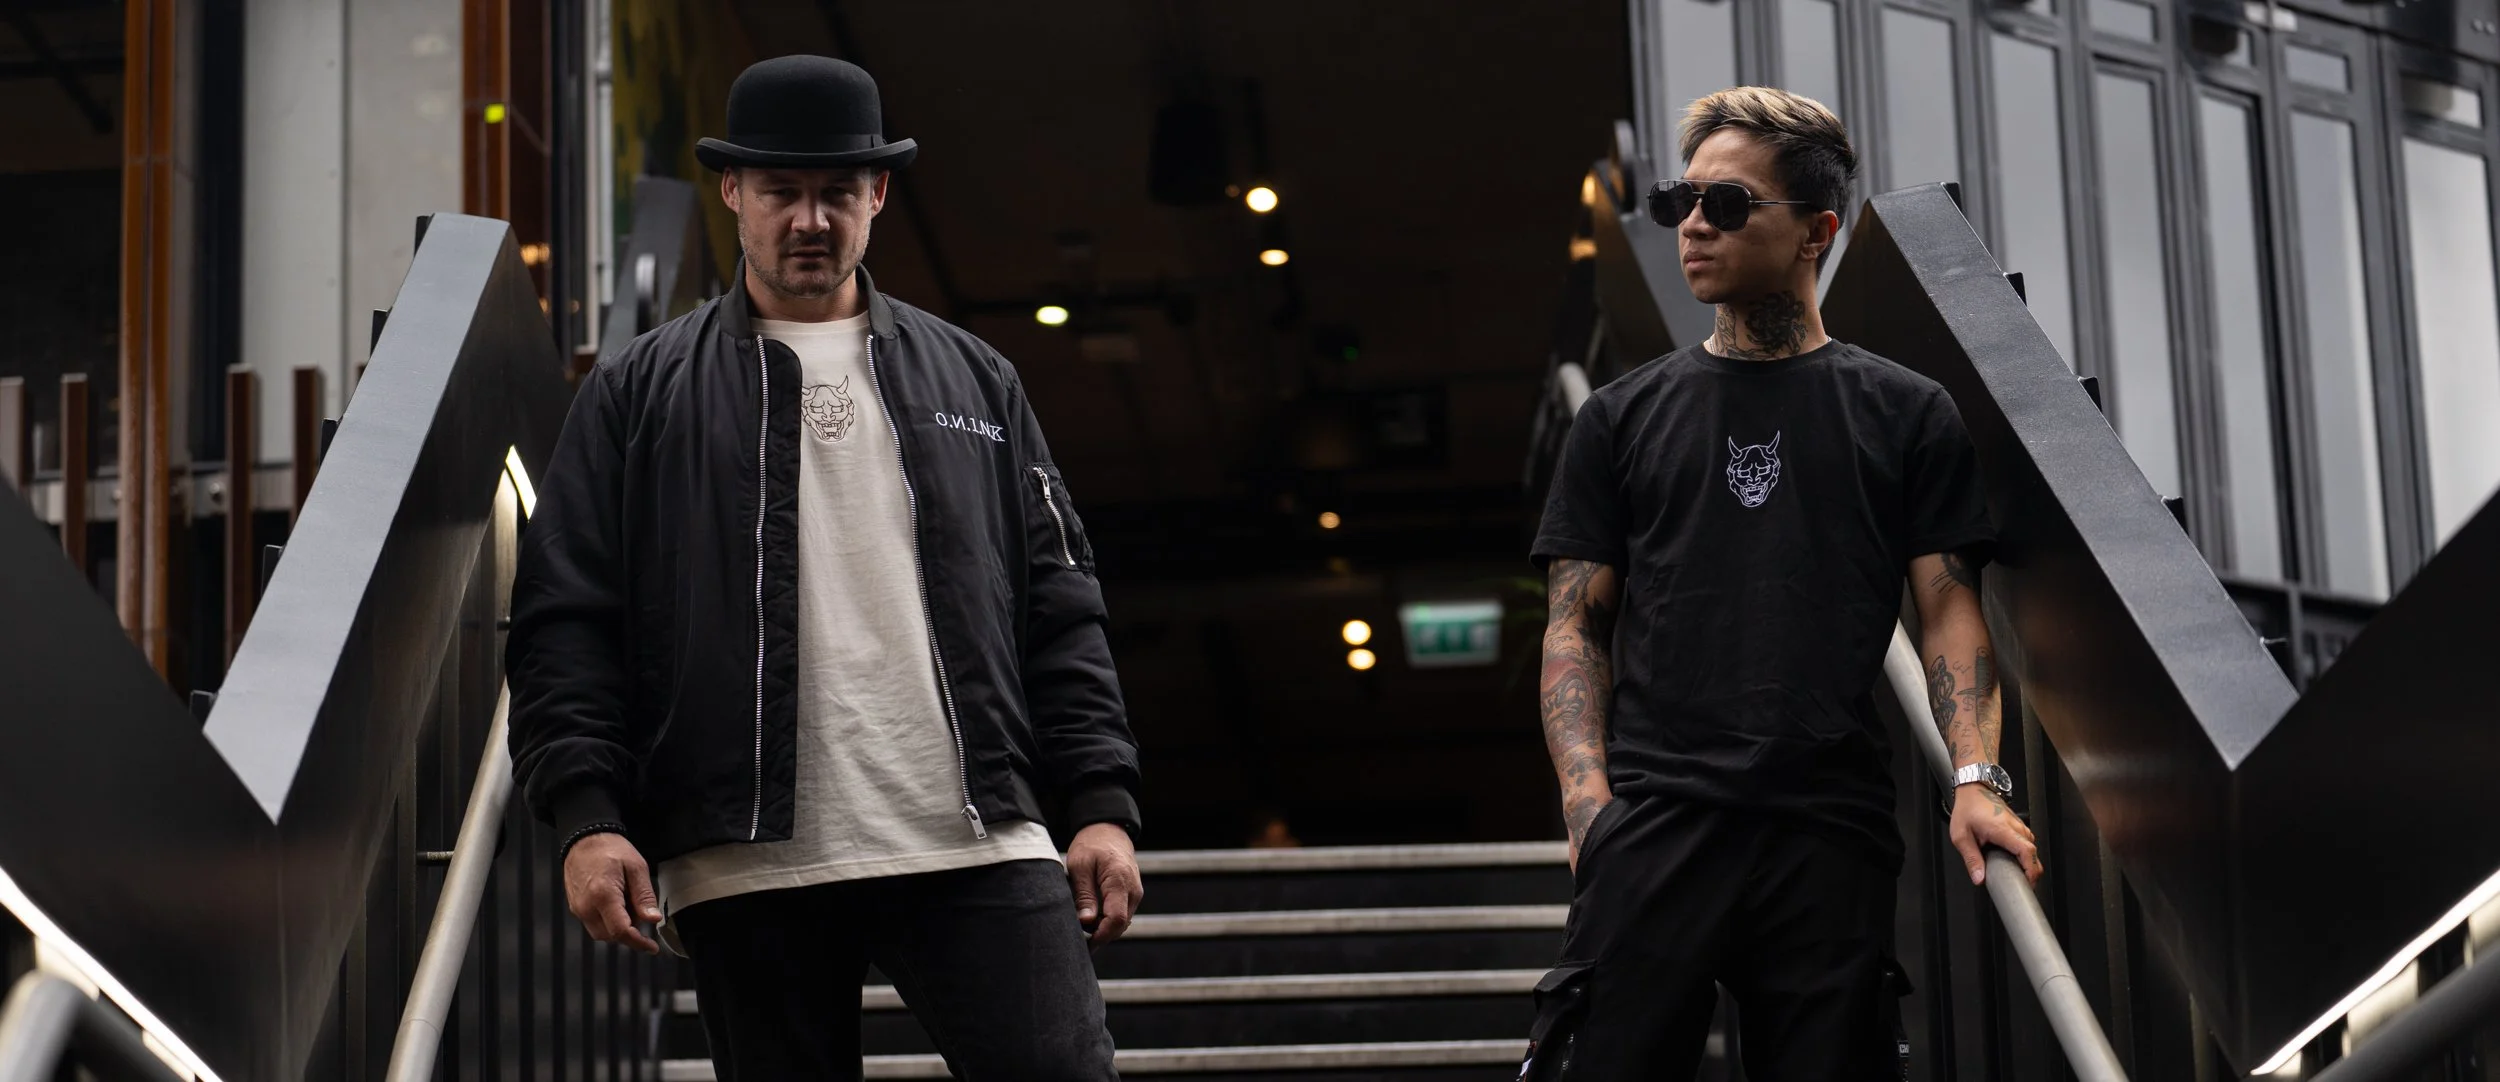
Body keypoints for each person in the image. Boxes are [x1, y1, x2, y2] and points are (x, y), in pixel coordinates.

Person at [506, 54, 1141, 1081]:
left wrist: (1100, 801)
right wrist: (589, 818)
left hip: (976, 836)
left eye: (838, 191)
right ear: (733, 192)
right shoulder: (638, 392)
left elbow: (1060, 609)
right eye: (781, 191)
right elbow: (565, 621)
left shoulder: (976, 378)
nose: (811, 219)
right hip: (744, 859)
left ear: (877, 194)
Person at [1519, 86, 2044, 1079]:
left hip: (1826, 831)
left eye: (1725, 204)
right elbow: (1574, 627)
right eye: (1680, 201)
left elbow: (1947, 606)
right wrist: (1589, 806)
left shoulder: (1904, 412)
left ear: (1817, 232)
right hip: (1657, 820)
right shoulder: (1619, 419)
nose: (1692, 225)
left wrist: (1977, 778)